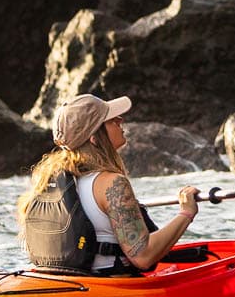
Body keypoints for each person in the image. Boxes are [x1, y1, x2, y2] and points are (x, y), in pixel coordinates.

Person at [18, 93, 199, 273]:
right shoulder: (112, 184)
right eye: (112, 119)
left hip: (62, 279)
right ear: (93, 137)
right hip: (109, 285)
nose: (121, 120)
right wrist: (186, 213)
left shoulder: (46, 180)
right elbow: (143, 257)